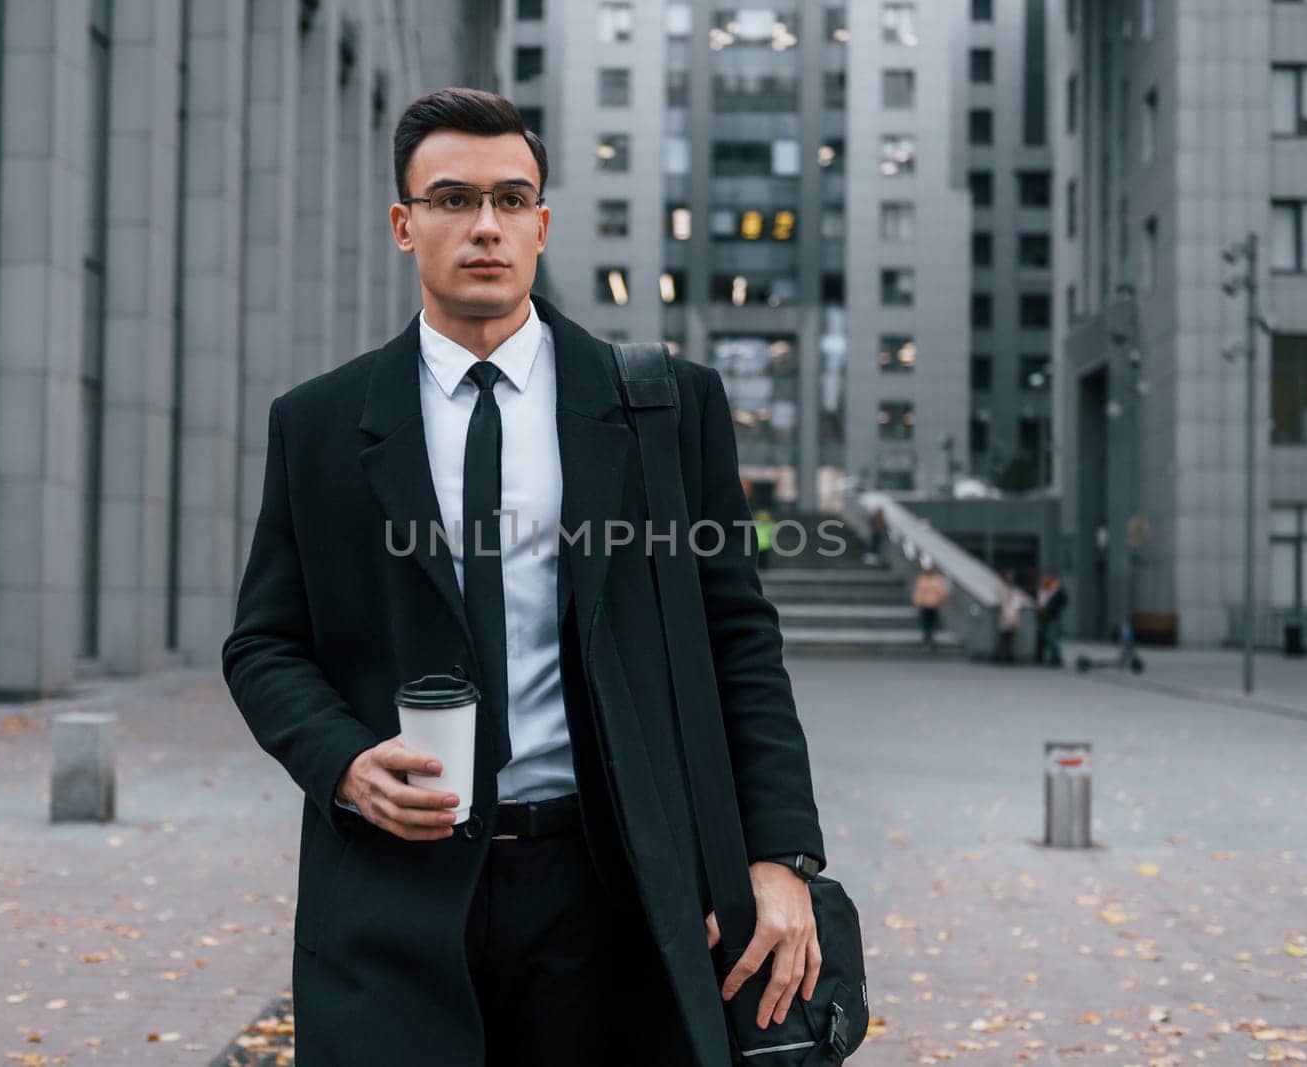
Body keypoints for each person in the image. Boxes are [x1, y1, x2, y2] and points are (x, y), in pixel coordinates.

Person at [221, 88, 825, 1067]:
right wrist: (339, 760)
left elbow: (740, 642)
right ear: (403, 223)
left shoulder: (664, 407)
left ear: (542, 223)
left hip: (611, 887)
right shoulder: (320, 423)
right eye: (452, 198)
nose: (485, 226)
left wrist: (781, 854)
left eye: (511, 199)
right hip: (393, 895)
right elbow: (264, 643)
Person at [911, 563, 948, 651]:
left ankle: (928, 637)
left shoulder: (923, 580)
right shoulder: (936, 580)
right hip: (933, 605)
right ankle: (930, 637)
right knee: (931, 622)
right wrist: (941, 600)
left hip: (926, 605)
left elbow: (918, 593)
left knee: (927, 622)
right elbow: (942, 592)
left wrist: (917, 602)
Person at [1036, 572, 1068, 667]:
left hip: (1052, 617)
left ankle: (1057, 659)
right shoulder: (1043, 590)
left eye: (1047, 578)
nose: (1044, 580)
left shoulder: (1057, 590)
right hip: (1044, 617)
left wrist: (1053, 609)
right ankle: (1048, 658)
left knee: (1052, 637)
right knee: (1045, 637)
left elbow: (1063, 602)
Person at [995, 569, 1024, 663]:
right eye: (1008, 576)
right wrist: (1009, 616)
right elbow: (1004, 603)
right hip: (1007, 615)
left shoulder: (1012, 588)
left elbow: (1016, 601)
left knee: (1010, 637)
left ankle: (1008, 655)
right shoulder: (1002, 588)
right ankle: (1001, 655)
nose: (1010, 578)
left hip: (1012, 614)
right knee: (1004, 637)